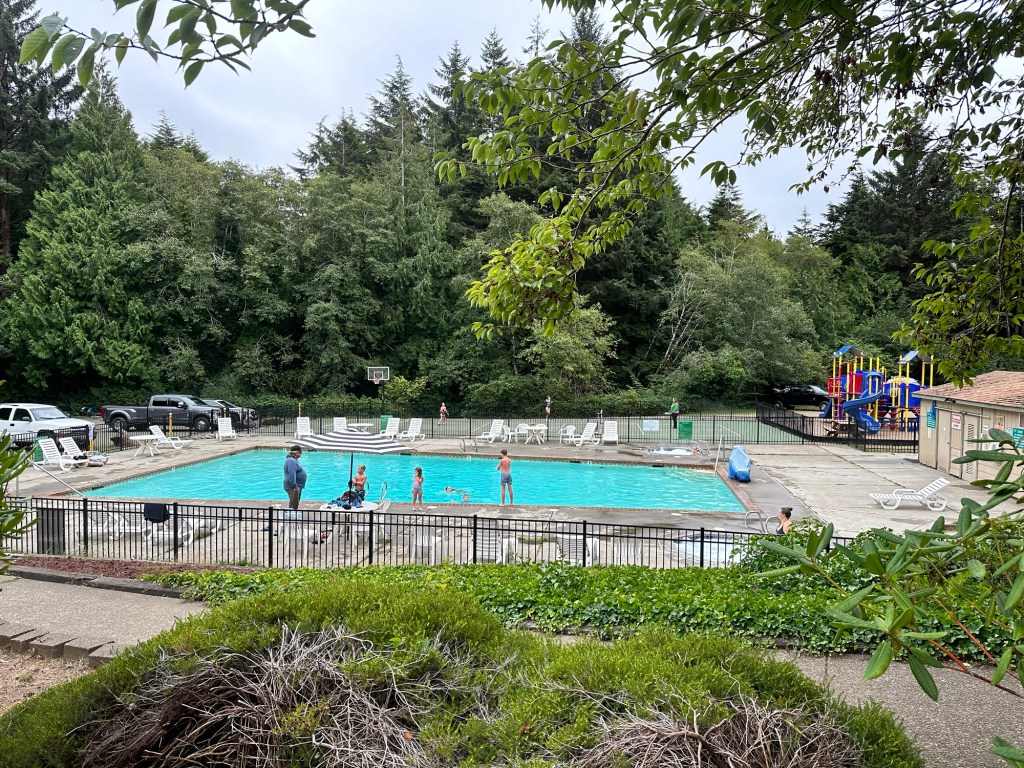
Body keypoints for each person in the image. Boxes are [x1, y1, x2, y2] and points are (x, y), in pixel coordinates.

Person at [283, 446, 307, 511]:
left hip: (297, 486)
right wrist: (295, 487)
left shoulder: (294, 460)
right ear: (296, 452)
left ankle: (293, 514)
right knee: (293, 505)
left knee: (295, 503)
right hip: (293, 486)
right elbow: (292, 474)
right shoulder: (291, 461)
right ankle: (291, 516)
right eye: (300, 452)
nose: (301, 453)